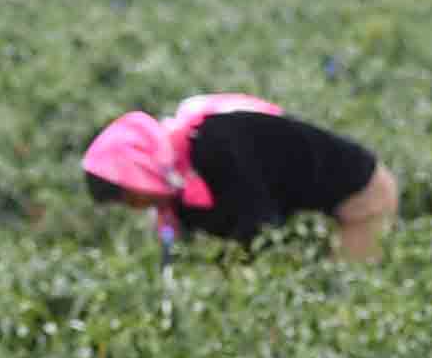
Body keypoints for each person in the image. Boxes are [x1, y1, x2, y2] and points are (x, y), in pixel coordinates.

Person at [80, 97, 399, 261]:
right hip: (313, 211)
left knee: (349, 297)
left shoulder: (217, 145)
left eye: (131, 196)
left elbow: (259, 231)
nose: (136, 206)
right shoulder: (179, 176)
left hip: (362, 198)